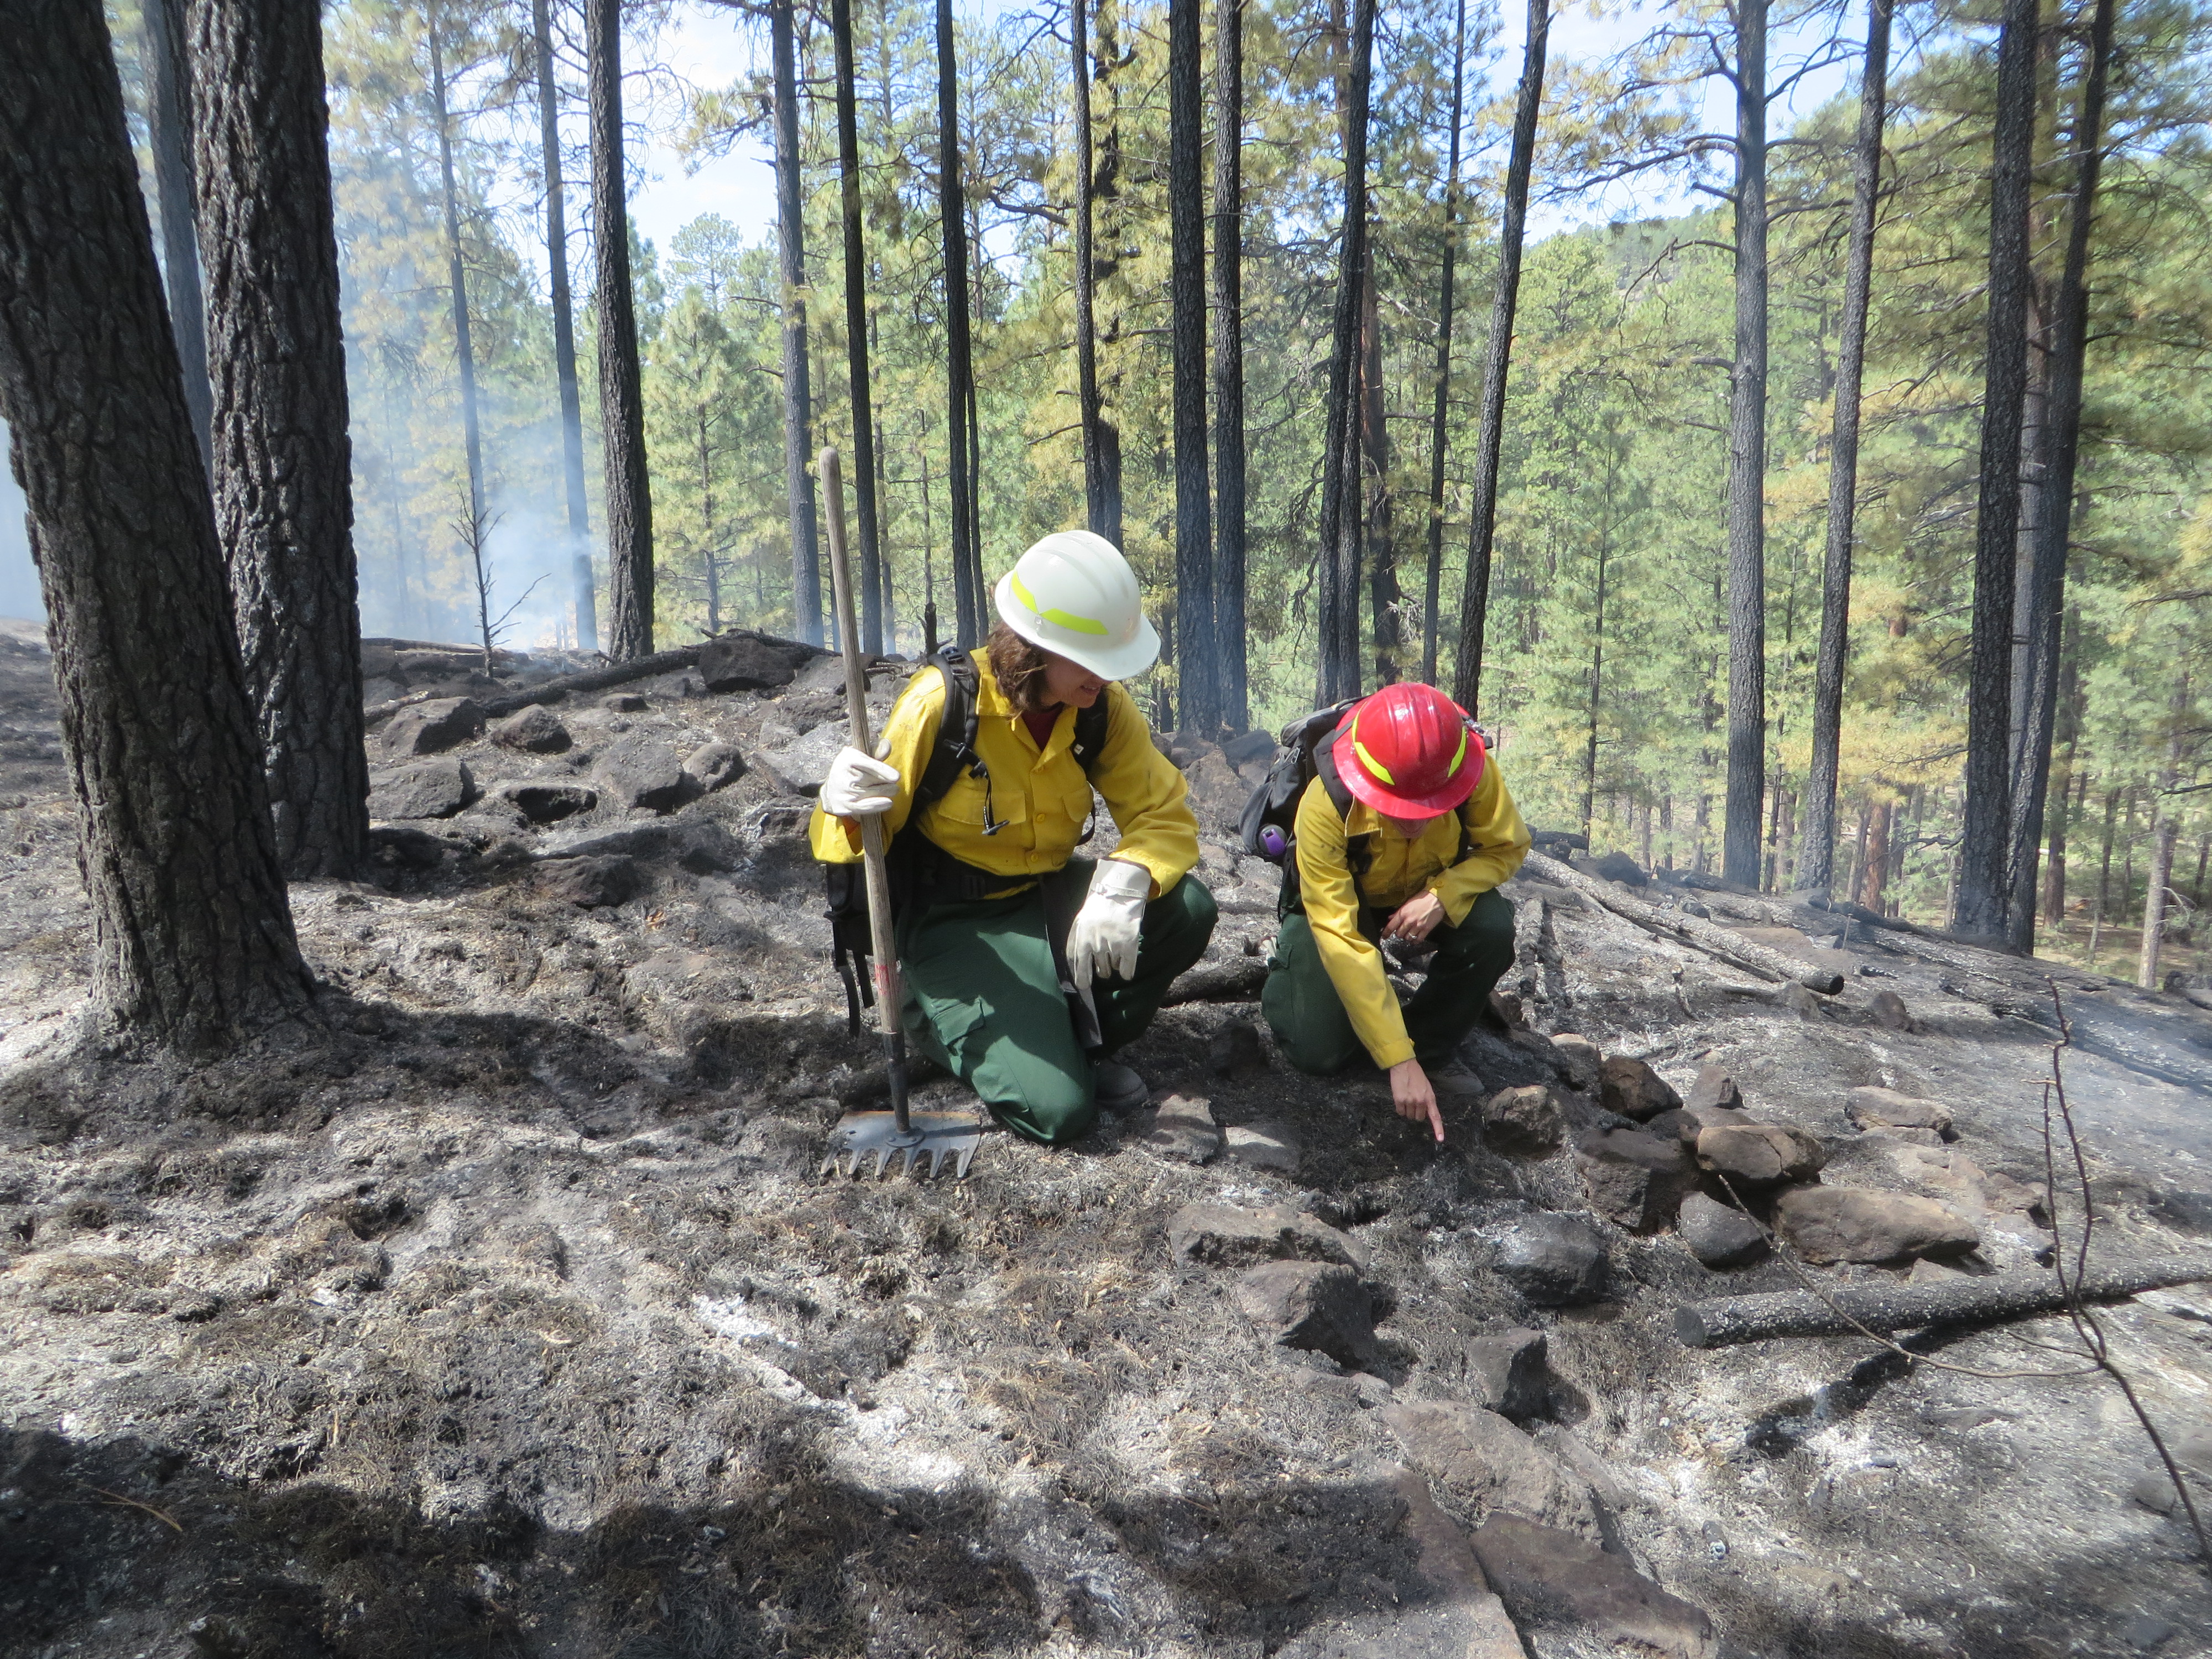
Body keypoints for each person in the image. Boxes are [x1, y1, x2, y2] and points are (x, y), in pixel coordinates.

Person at [810, 530, 1217, 1145]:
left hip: (1042, 898)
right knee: (1057, 1113)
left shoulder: (1100, 709)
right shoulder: (941, 705)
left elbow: (1164, 816)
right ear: (1034, 648)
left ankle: (1078, 1039)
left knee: (1186, 909)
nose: (1107, 678)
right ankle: (934, 1015)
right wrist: (839, 803)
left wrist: (1128, 880)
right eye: (1092, 659)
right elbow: (858, 840)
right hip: (951, 922)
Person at [1260, 681, 1530, 1142]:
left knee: (1491, 929)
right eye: (1401, 809)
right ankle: (1314, 999)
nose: (1417, 822)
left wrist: (1445, 893)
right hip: (1340, 906)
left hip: (1425, 888)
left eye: (1431, 807)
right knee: (1317, 1053)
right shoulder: (1326, 801)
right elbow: (1341, 938)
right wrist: (1395, 1058)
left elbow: (1506, 848)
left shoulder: (1470, 767)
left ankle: (1423, 1045)